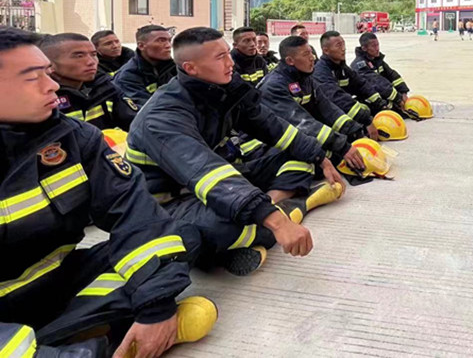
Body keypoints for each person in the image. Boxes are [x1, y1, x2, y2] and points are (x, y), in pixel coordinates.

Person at [0, 27, 216, 357]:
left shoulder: (73, 137)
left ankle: (76, 338)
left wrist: (156, 309)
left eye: (47, 72)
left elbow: (136, 214)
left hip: (55, 280)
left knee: (177, 238)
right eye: (33, 77)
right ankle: (94, 341)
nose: (52, 85)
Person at [126, 27, 343, 276]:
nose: (230, 63)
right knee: (226, 226)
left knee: (301, 158)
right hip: (172, 201)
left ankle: (266, 213)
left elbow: (273, 127)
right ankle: (287, 210)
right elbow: (206, 172)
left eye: (228, 53)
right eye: (220, 57)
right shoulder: (161, 117)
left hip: (213, 183)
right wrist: (275, 221)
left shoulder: (222, 90)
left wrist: (320, 157)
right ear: (191, 68)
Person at [258, 36, 367, 173]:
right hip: (265, 146)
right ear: (290, 61)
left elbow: (327, 109)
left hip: (297, 137)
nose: (312, 58)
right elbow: (302, 123)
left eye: (311, 52)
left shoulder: (305, 77)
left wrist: (355, 132)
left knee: (341, 153)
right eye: (306, 54)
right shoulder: (274, 86)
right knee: (319, 163)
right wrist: (341, 147)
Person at [40, 33, 138, 131]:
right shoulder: (40, 99)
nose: (91, 62)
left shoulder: (105, 87)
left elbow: (136, 123)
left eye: (93, 55)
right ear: (50, 64)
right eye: (79, 56)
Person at [313, 31, 385, 132]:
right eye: (338, 45)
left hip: (344, 112)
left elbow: (361, 84)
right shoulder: (320, 72)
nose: (343, 48)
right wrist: (365, 120)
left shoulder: (342, 67)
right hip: (333, 118)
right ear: (326, 50)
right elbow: (337, 98)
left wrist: (380, 103)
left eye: (343, 44)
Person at [113, 25, 177, 106]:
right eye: (161, 41)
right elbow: (146, 108)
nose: (168, 45)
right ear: (141, 46)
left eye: (169, 40)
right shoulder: (127, 77)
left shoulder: (172, 68)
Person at [351, 33, 409, 111]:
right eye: (373, 46)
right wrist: (398, 99)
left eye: (377, 45)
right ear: (364, 48)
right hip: (370, 103)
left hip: (383, 98)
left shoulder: (376, 60)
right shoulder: (360, 65)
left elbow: (392, 75)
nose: (377, 48)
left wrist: (403, 92)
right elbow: (379, 84)